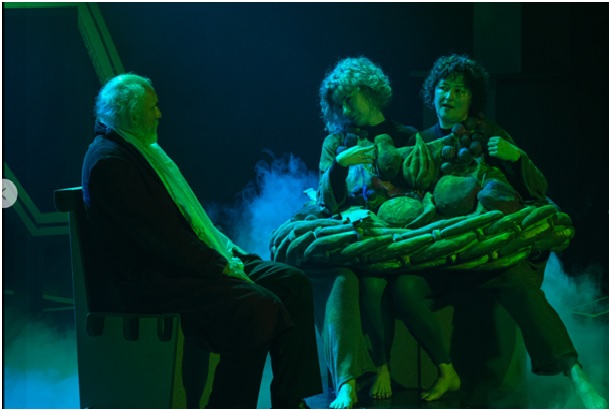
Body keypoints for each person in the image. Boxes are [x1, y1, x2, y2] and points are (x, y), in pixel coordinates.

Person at [81, 73, 322, 409]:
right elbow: (159, 240)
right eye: (153, 107)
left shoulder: (139, 150)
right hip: (153, 280)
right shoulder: (110, 162)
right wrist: (217, 265)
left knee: (292, 283)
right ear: (132, 113)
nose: (160, 114)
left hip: (180, 265)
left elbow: (184, 223)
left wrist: (224, 255)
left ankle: (290, 401)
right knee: (257, 307)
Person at [392, 53, 607, 409]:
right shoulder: (419, 143)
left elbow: (537, 189)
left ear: (472, 98)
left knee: (519, 282)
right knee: (405, 288)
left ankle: (577, 377)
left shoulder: (489, 134)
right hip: (443, 259)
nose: (449, 96)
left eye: (459, 90)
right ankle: (446, 370)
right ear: (432, 92)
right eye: (444, 88)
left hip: (489, 255)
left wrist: (516, 156)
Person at [312, 56, 456, 408]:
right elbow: (326, 200)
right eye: (340, 104)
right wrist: (340, 166)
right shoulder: (336, 143)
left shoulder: (407, 135)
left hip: (402, 242)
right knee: (370, 284)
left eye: (350, 99)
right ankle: (381, 368)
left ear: (370, 91)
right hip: (360, 244)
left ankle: (431, 368)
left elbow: (425, 188)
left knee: (391, 285)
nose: (346, 109)